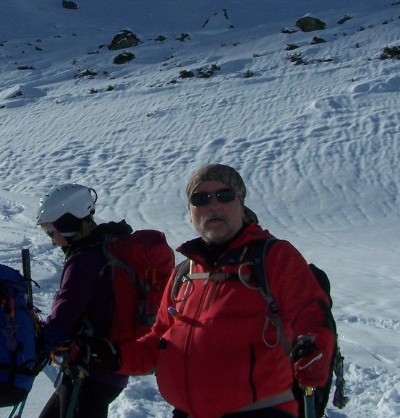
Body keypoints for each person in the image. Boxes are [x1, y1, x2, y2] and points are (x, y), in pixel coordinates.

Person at [94, 164, 335, 418]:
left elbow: (311, 311)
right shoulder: (185, 274)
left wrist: (314, 348)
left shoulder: (273, 257)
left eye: (224, 195)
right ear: (191, 212)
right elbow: (159, 342)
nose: (213, 205)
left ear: (241, 204)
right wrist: (114, 356)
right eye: (201, 199)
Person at [34, 183, 133, 418]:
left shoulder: (85, 259)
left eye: (50, 231)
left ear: (67, 224)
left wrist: (37, 344)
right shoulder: (104, 247)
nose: (51, 240)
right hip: (101, 370)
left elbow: (66, 313)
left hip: (90, 373)